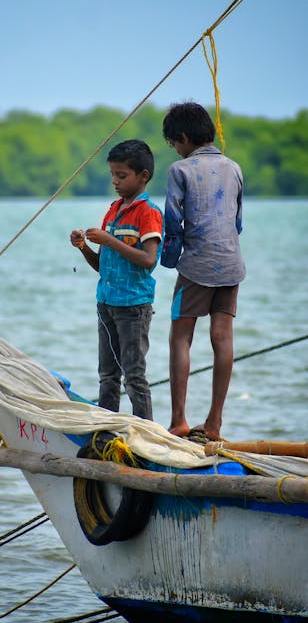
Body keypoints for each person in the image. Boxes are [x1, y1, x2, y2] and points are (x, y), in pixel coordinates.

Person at [161, 101, 246, 441]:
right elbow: (238, 222)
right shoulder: (234, 167)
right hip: (231, 264)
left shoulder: (180, 171)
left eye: (174, 144)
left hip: (196, 266)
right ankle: (214, 424)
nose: (176, 150)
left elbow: (173, 223)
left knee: (180, 336)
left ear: (183, 138)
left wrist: (167, 261)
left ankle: (179, 420)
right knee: (222, 338)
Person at [70, 139, 163, 421]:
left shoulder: (149, 213)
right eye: (113, 174)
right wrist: (84, 247)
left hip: (133, 307)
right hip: (106, 303)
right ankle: (107, 430)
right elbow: (103, 266)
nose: (115, 181)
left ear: (143, 176)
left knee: (134, 375)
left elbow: (148, 260)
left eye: (122, 175)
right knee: (107, 374)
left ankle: (145, 432)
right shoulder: (114, 210)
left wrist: (109, 239)